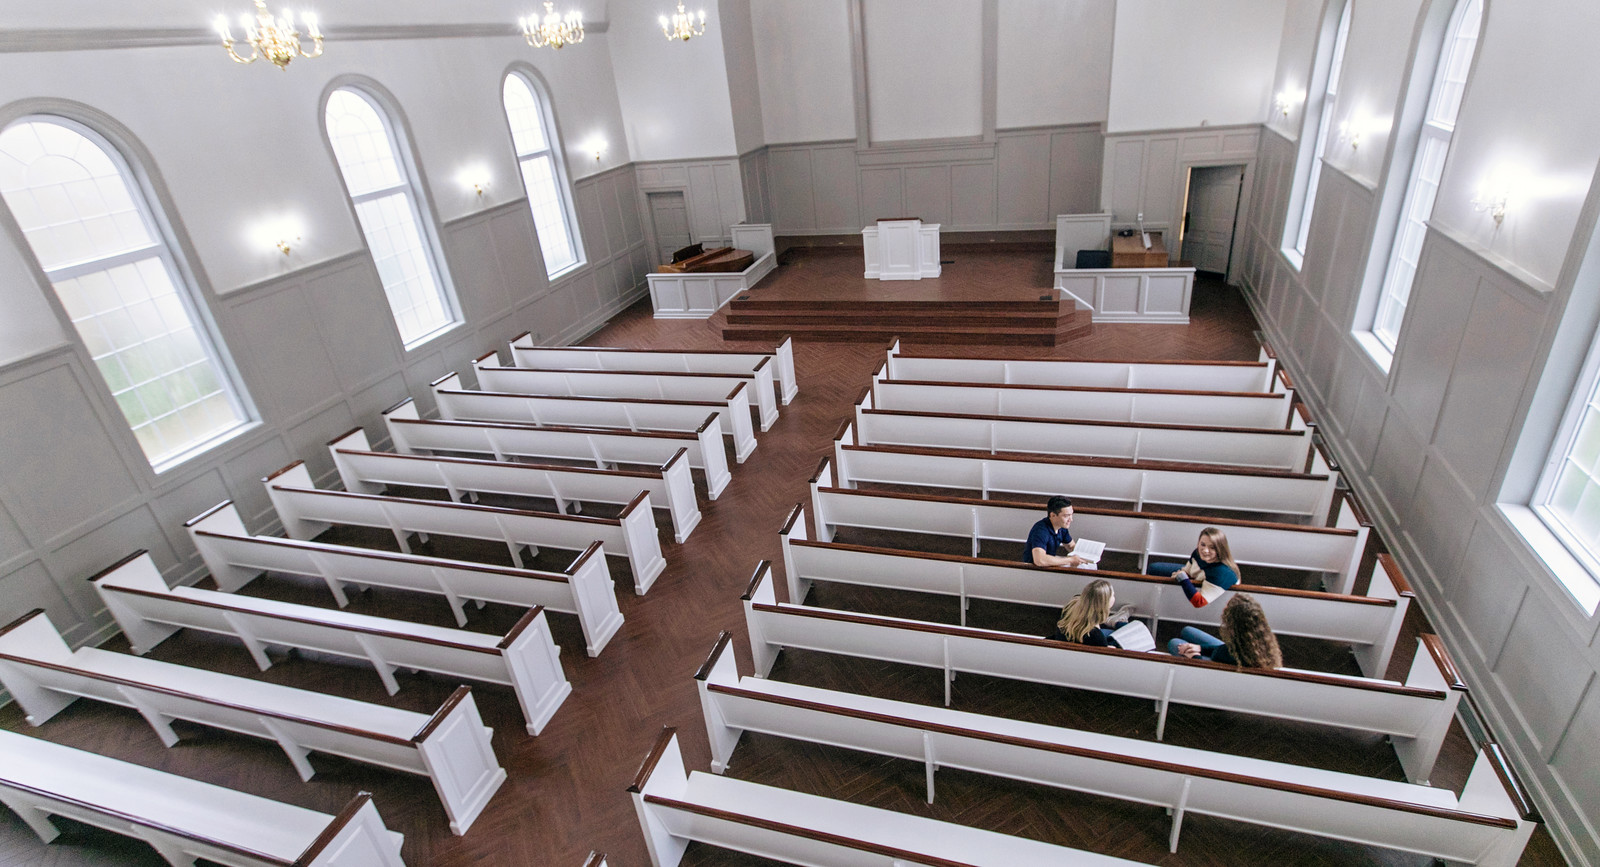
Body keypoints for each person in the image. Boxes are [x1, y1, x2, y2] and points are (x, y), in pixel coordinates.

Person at [1166, 592, 1281, 669]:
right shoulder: (1261, 639)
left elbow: (1209, 668)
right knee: (1188, 631)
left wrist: (1195, 656)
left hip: (1219, 667)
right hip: (1234, 656)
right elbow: (1223, 648)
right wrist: (1200, 647)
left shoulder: (1224, 654)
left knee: (1175, 643)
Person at [1146, 526, 1239, 608]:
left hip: (1212, 596)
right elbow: (1188, 569)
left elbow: (1199, 602)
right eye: (1202, 544)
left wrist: (1182, 577)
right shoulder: (1198, 552)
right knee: (1154, 568)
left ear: (1220, 549)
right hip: (1196, 577)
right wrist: (1183, 574)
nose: (1205, 550)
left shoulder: (1221, 573)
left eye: (1212, 547)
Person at [1047, 579, 1135, 647]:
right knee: (1124, 637)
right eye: (1112, 595)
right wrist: (1107, 648)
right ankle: (1118, 621)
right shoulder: (1096, 635)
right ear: (1104, 603)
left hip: (1070, 643)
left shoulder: (1073, 604)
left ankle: (1116, 621)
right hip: (1085, 652)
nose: (1114, 597)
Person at [1025, 495, 1091, 568]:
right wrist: (1070, 560)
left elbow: (1071, 546)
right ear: (1053, 515)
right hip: (1035, 568)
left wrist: (1087, 555)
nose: (1071, 520)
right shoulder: (1040, 530)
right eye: (1066, 516)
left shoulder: (1062, 527)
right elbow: (1040, 560)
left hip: (1049, 561)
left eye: (1071, 515)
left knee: (1089, 565)